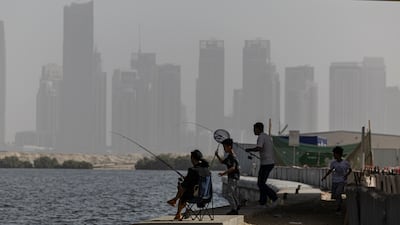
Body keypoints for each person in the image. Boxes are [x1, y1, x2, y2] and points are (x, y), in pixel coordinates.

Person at [167, 149, 211, 220]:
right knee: (184, 188)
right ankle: (176, 202)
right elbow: (198, 181)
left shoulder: (192, 170)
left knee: (181, 187)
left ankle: (177, 210)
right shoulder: (207, 170)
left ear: (193, 158)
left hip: (196, 196)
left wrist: (183, 182)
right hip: (207, 196)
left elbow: (185, 185)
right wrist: (187, 178)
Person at [245, 122, 279, 207]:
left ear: (258, 129)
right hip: (267, 163)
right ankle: (262, 202)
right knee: (261, 183)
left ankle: (274, 198)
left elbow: (259, 148)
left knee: (261, 183)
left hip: (267, 163)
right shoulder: (266, 136)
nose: (253, 131)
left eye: (254, 129)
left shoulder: (261, 137)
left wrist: (249, 149)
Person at [321, 146, 352, 213]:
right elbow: (330, 170)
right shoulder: (333, 163)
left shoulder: (345, 163)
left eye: (334, 154)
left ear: (338, 154)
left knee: (338, 193)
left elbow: (350, 170)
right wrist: (325, 176)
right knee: (335, 195)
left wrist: (346, 175)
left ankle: (338, 207)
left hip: (342, 180)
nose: (333, 155)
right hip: (335, 180)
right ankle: (339, 203)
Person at [215, 138, 240, 215]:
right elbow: (223, 162)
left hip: (233, 177)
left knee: (228, 194)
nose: (224, 148)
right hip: (232, 177)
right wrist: (217, 155)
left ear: (229, 147)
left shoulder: (233, 156)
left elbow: (233, 168)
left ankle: (234, 209)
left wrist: (223, 173)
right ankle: (237, 205)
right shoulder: (229, 156)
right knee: (232, 193)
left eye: (225, 147)